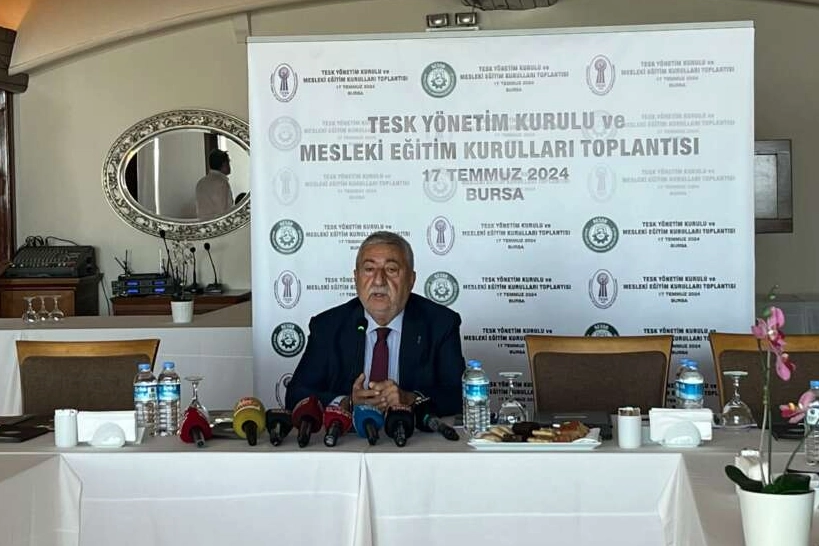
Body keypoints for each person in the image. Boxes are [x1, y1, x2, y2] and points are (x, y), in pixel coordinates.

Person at [285, 231, 465, 416]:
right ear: (356, 278)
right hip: (348, 433)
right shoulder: (328, 327)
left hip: (413, 432)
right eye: (369, 269)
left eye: (391, 270)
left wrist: (411, 399)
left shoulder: (440, 324)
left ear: (411, 280)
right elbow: (295, 395)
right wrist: (347, 402)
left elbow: (460, 395)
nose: (379, 280)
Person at [195, 149, 233, 219]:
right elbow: (224, 211)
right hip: (220, 223)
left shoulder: (200, 183)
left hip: (203, 223)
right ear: (224, 164)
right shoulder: (222, 183)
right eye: (229, 162)